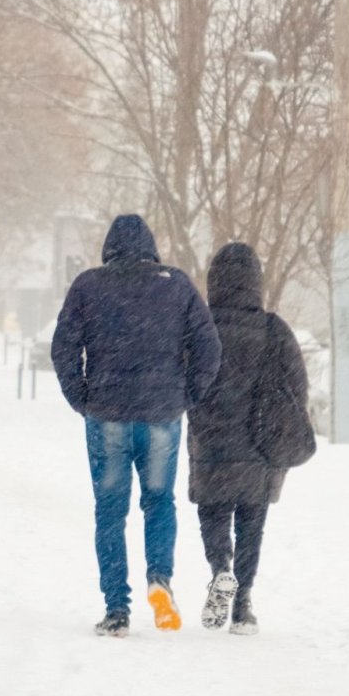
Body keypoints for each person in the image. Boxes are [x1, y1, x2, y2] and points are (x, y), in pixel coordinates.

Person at [51, 214, 221, 638]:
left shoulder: (88, 286)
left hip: (106, 412)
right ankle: (159, 579)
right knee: (159, 502)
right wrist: (187, 394)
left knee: (110, 511)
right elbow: (208, 346)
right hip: (161, 413)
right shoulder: (176, 285)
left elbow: (63, 348)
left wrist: (82, 397)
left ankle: (116, 610)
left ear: (109, 247)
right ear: (150, 246)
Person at [186, 243, 311, 636]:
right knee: (252, 523)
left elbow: (183, 378)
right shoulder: (274, 329)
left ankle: (221, 568)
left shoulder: (201, 326)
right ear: (256, 282)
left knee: (214, 512)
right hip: (260, 445)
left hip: (211, 441)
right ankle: (242, 607)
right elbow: (298, 386)